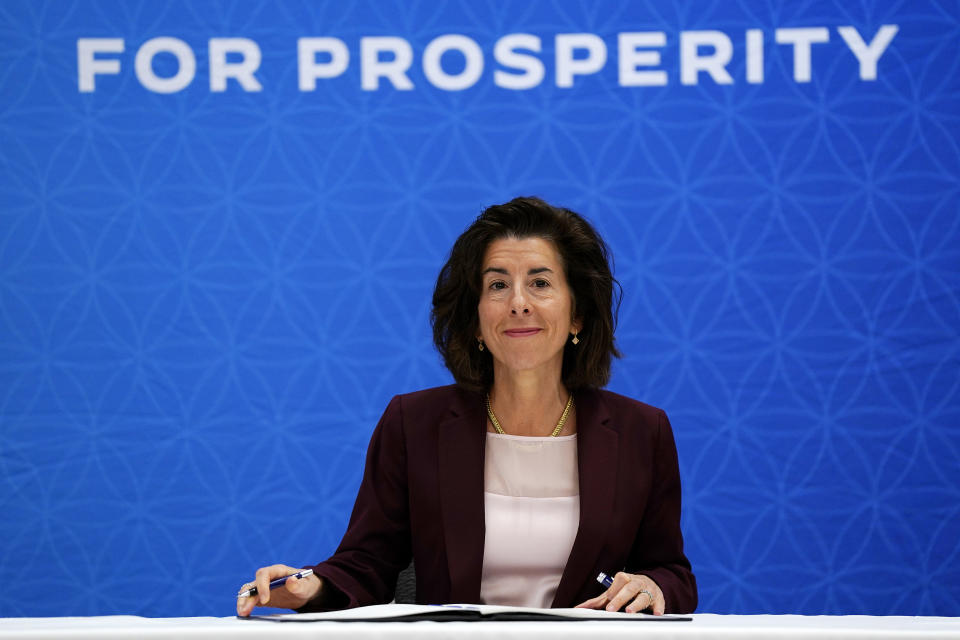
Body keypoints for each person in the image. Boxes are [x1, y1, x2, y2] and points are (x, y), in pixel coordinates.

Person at [237, 196, 697, 616]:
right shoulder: (414, 424)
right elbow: (367, 563)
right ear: (476, 321)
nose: (518, 303)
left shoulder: (641, 432)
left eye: (539, 282)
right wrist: (311, 587)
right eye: (497, 285)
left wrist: (656, 586)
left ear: (577, 314)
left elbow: (670, 571)